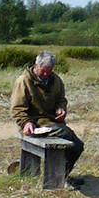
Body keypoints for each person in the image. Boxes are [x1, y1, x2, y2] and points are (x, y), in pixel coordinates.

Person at [11, 50, 86, 187]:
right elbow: (17, 108)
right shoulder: (24, 81)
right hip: (35, 125)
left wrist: (61, 109)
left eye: (49, 71)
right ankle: (58, 179)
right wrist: (26, 123)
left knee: (78, 146)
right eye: (43, 71)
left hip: (52, 123)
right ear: (36, 65)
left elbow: (61, 100)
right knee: (69, 138)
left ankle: (62, 176)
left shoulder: (56, 80)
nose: (46, 74)